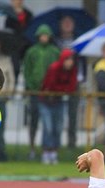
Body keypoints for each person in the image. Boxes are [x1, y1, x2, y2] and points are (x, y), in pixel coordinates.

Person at [23, 25, 60, 160]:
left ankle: (48, 149)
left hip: (50, 93)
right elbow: (27, 70)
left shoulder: (54, 51)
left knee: (49, 123)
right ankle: (31, 147)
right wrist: (30, 86)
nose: (44, 37)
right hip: (34, 92)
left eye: (46, 35)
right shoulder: (32, 51)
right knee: (33, 121)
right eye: (42, 35)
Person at [38, 48, 78, 164]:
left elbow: (71, 87)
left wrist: (62, 90)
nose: (70, 62)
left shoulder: (73, 70)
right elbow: (51, 85)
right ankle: (46, 152)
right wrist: (62, 89)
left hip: (59, 102)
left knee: (58, 128)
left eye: (71, 60)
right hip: (46, 101)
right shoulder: (54, 68)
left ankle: (54, 152)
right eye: (68, 59)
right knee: (48, 127)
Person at [54, 15, 83, 148]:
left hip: (74, 82)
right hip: (59, 82)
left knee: (73, 114)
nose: (67, 25)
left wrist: (82, 78)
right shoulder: (56, 41)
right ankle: (56, 143)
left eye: (69, 22)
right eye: (64, 22)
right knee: (57, 114)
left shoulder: (79, 41)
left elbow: (82, 62)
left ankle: (72, 142)